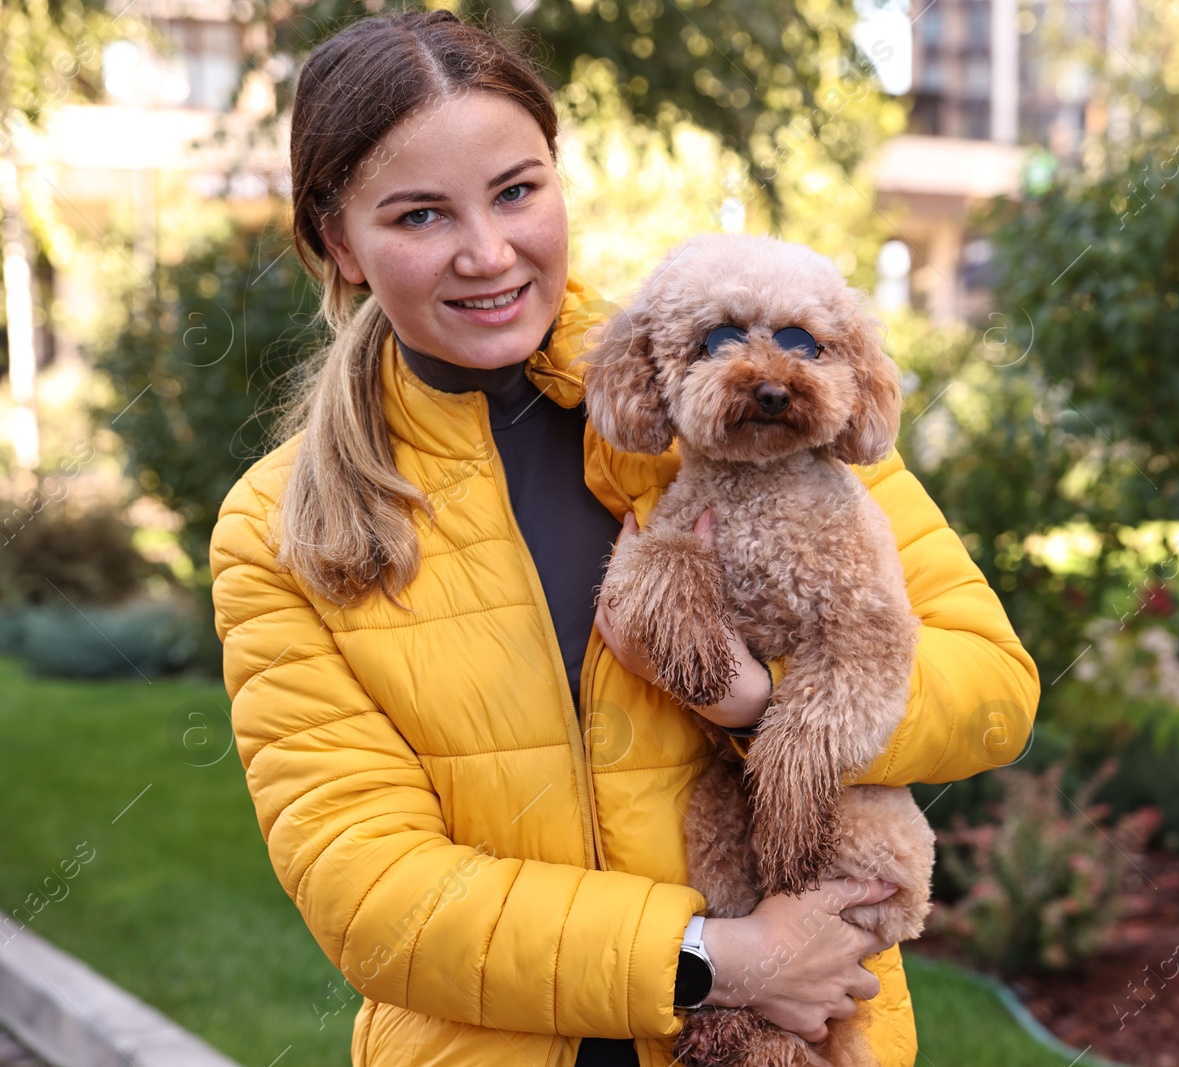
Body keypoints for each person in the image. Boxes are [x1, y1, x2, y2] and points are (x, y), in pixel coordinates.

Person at [207, 10, 1040, 1067]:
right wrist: (717, 956)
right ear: (338, 244)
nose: (487, 253)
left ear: (558, 178)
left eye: (517, 190)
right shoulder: (283, 528)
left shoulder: (750, 390)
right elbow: (371, 893)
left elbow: (994, 688)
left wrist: (758, 701)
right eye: (420, 215)